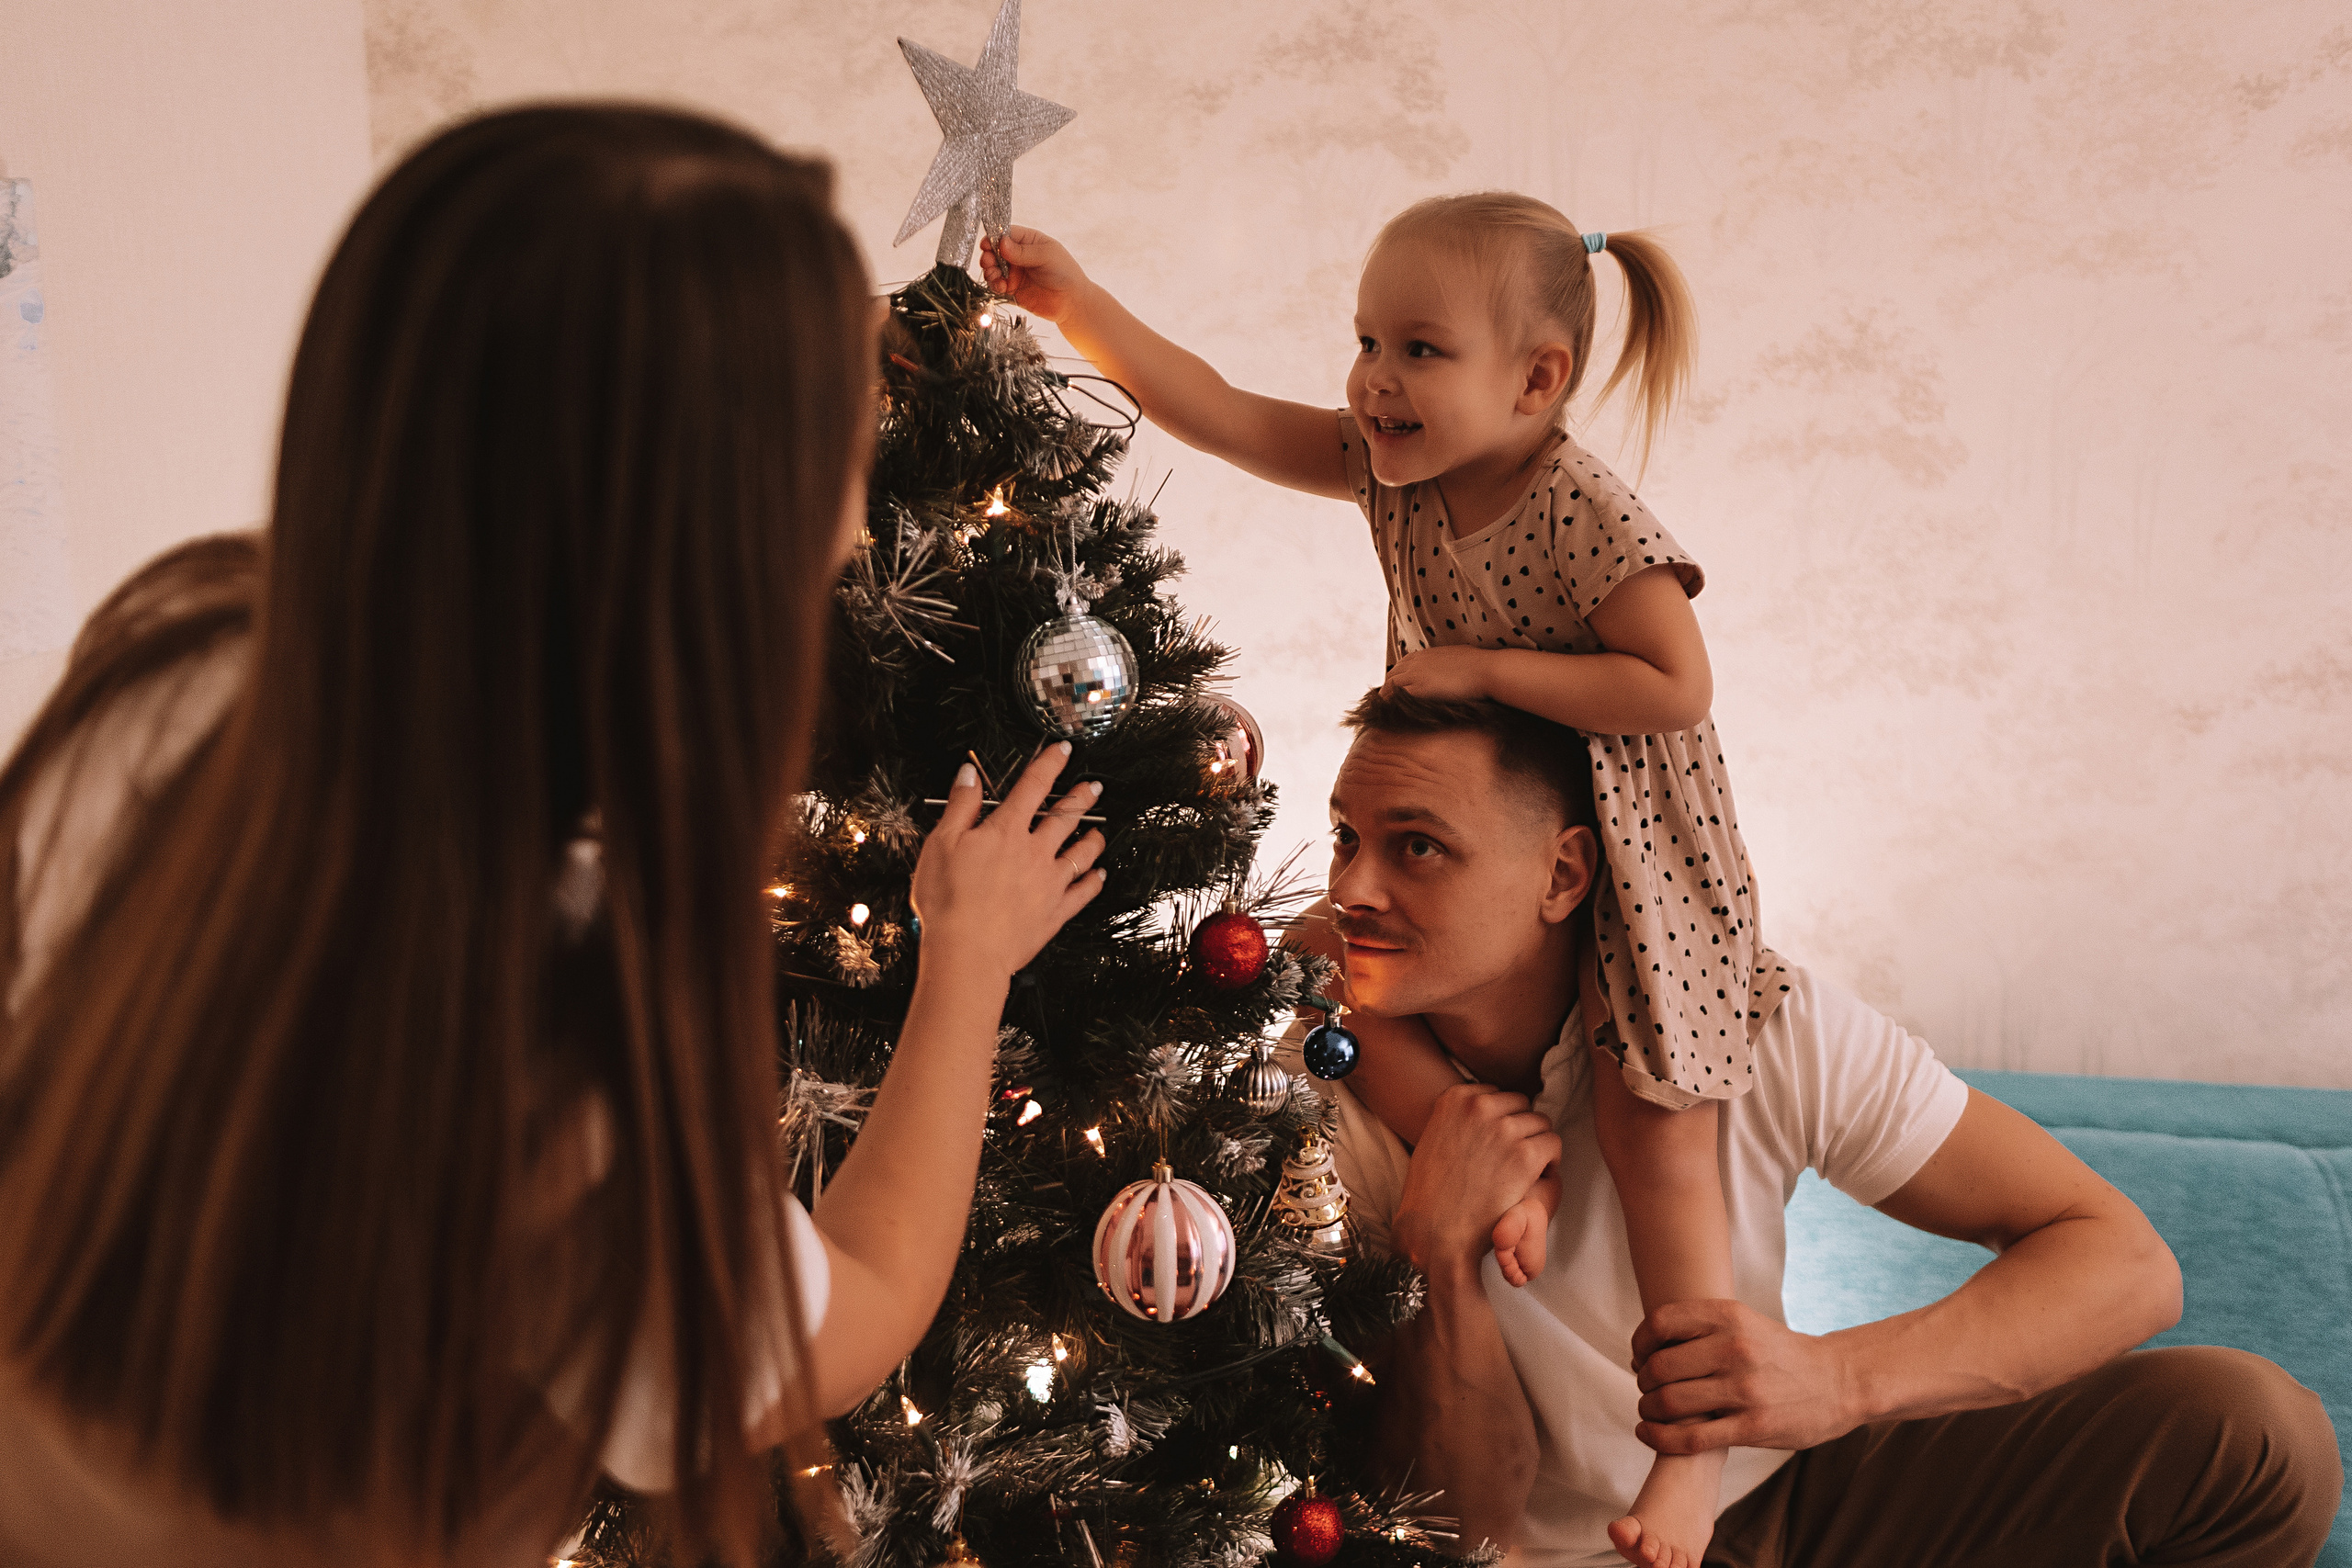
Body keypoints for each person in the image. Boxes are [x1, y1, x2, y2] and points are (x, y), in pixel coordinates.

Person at [0, 106, 1107, 1568]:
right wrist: (966, 961)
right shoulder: (571, 1035)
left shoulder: (174, 655)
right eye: (841, 443)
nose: (853, 523)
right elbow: (828, 1328)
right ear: (722, 546)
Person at [982, 196, 1760, 1564]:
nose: (1375, 380)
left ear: (1535, 379)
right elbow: (1219, 408)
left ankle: (1691, 1453)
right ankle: (1489, 1167)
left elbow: (1675, 677)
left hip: (1632, 863)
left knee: (1659, 1139)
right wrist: (1080, 303)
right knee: (1320, 966)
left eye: (1418, 348)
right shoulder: (1386, 469)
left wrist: (1485, 672)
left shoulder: (1577, 506)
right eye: (1364, 341)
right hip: (1487, 857)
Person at [1281, 687, 2342, 1568]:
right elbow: (1464, 1528)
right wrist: (1443, 1264)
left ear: (1563, 874)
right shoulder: (1315, 1087)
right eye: (1345, 838)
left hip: (1793, 1501)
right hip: (1555, 1553)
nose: (1353, 886)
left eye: (1416, 847)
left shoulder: (1740, 1016)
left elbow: (2123, 1265)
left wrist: (1835, 1381)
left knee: (2250, 1430)